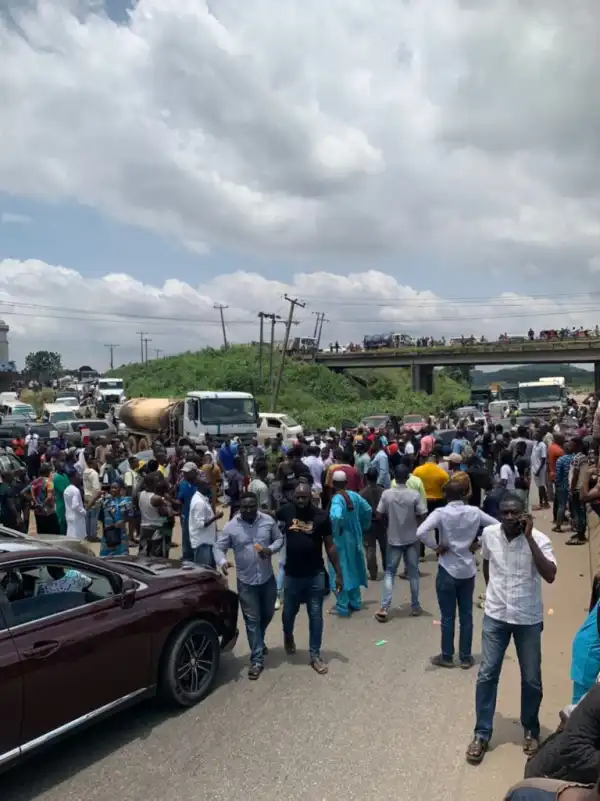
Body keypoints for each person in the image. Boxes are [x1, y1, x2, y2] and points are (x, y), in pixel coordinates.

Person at [466, 493, 557, 765]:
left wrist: (529, 539)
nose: (508, 517)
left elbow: (550, 575)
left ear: (524, 514)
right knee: (487, 674)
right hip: (496, 616)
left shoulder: (539, 539)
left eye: (514, 512)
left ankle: (531, 730)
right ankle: (481, 734)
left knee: (531, 678)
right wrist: (492, 594)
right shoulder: (489, 535)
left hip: (527, 618)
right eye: (504, 512)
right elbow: (487, 564)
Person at [417, 479, 498, 668]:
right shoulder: (474, 512)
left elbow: (420, 532)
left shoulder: (440, 513)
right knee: (466, 615)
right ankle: (466, 657)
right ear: (464, 494)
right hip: (467, 569)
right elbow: (496, 526)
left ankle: (447, 656)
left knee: (447, 616)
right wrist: (479, 542)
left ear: (446, 495)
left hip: (447, 567)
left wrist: (435, 547)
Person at [214, 492, 283, 680]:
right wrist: (222, 562)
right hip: (246, 582)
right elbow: (218, 547)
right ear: (240, 507)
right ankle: (257, 661)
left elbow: (279, 539)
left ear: (257, 505)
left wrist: (270, 549)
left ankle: (258, 640)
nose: (248, 510)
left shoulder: (268, 521)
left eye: (252, 506)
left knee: (268, 613)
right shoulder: (231, 527)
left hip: (267, 579)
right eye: (244, 507)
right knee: (252, 621)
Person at [277, 482, 342, 674]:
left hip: (315, 574)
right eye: (297, 497)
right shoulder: (286, 511)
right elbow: (269, 516)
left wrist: (338, 572)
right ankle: (288, 635)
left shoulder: (321, 516)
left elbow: (330, 546)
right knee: (288, 613)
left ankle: (315, 655)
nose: (300, 500)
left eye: (303, 497)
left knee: (315, 615)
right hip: (292, 575)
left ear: (310, 498)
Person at [375, 464, 427, 621]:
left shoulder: (387, 494)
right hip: (411, 538)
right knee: (413, 573)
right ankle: (415, 606)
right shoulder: (414, 495)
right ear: (407, 477)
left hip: (393, 538)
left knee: (390, 572)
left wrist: (388, 523)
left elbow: (379, 514)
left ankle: (384, 607)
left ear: (394, 477)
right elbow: (423, 515)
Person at [328, 470, 371, 616]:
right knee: (353, 568)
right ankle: (355, 601)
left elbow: (335, 516)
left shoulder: (336, 499)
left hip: (340, 541)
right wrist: (364, 525)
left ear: (333, 484)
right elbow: (368, 509)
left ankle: (342, 605)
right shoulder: (354, 496)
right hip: (354, 538)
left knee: (339, 570)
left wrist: (335, 530)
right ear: (346, 483)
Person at [188, 474, 223, 566]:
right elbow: (200, 524)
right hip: (202, 543)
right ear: (200, 486)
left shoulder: (202, 498)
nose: (210, 487)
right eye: (207, 485)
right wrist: (216, 517)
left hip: (207, 541)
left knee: (210, 570)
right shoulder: (199, 502)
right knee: (204, 570)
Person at [360, 466, 387, 580]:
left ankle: (373, 573)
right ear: (377, 477)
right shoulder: (383, 492)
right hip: (382, 523)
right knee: (385, 548)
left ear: (366, 478)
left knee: (370, 549)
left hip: (368, 524)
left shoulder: (362, 493)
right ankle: (388, 570)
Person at [100, 479, 131, 556]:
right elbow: (90, 507)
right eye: (111, 488)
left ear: (121, 489)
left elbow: (130, 516)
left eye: (115, 488)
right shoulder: (106, 500)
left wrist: (123, 521)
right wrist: (98, 495)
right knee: (106, 557)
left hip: (120, 533)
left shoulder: (126, 501)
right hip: (108, 532)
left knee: (121, 556)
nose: (112, 490)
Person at [29, 463, 60, 535]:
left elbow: (23, 492)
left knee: (42, 534)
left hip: (38, 513)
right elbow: (49, 497)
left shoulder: (34, 482)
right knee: (54, 534)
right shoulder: (49, 482)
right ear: (47, 473)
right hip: (48, 512)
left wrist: (34, 501)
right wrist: (42, 504)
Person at [177, 462, 198, 561]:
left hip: (198, 515)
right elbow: (180, 500)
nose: (184, 474)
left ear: (194, 472)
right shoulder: (183, 484)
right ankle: (187, 558)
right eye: (184, 472)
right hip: (186, 515)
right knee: (186, 538)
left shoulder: (200, 484)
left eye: (187, 472)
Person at [83, 454, 102, 542]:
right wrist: (93, 501)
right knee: (94, 518)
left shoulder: (85, 472)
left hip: (86, 496)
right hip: (93, 497)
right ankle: (93, 536)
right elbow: (97, 490)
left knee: (88, 517)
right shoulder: (94, 473)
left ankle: (88, 535)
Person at [64, 471, 86, 540]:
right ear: (73, 478)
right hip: (76, 517)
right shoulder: (75, 490)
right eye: (78, 476)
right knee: (77, 538)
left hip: (69, 516)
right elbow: (75, 505)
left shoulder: (66, 489)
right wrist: (83, 511)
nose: (80, 478)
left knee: (70, 535)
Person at [531, 430, 549, 510]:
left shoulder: (543, 445)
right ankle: (544, 503)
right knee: (540, 486)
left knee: (541, 486)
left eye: (537, 435)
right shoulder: (535, 443)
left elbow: (543, 459)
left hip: (540, 469)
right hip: (534, 468)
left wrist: (538, 470)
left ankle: (542, 503)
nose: (535, 436)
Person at [52, 458, 69, 535]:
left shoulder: (65, 475)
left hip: (67, 501)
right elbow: (63, 491)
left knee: (66, 520)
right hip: (60, 502)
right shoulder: (56, 478)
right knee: (61, 520)